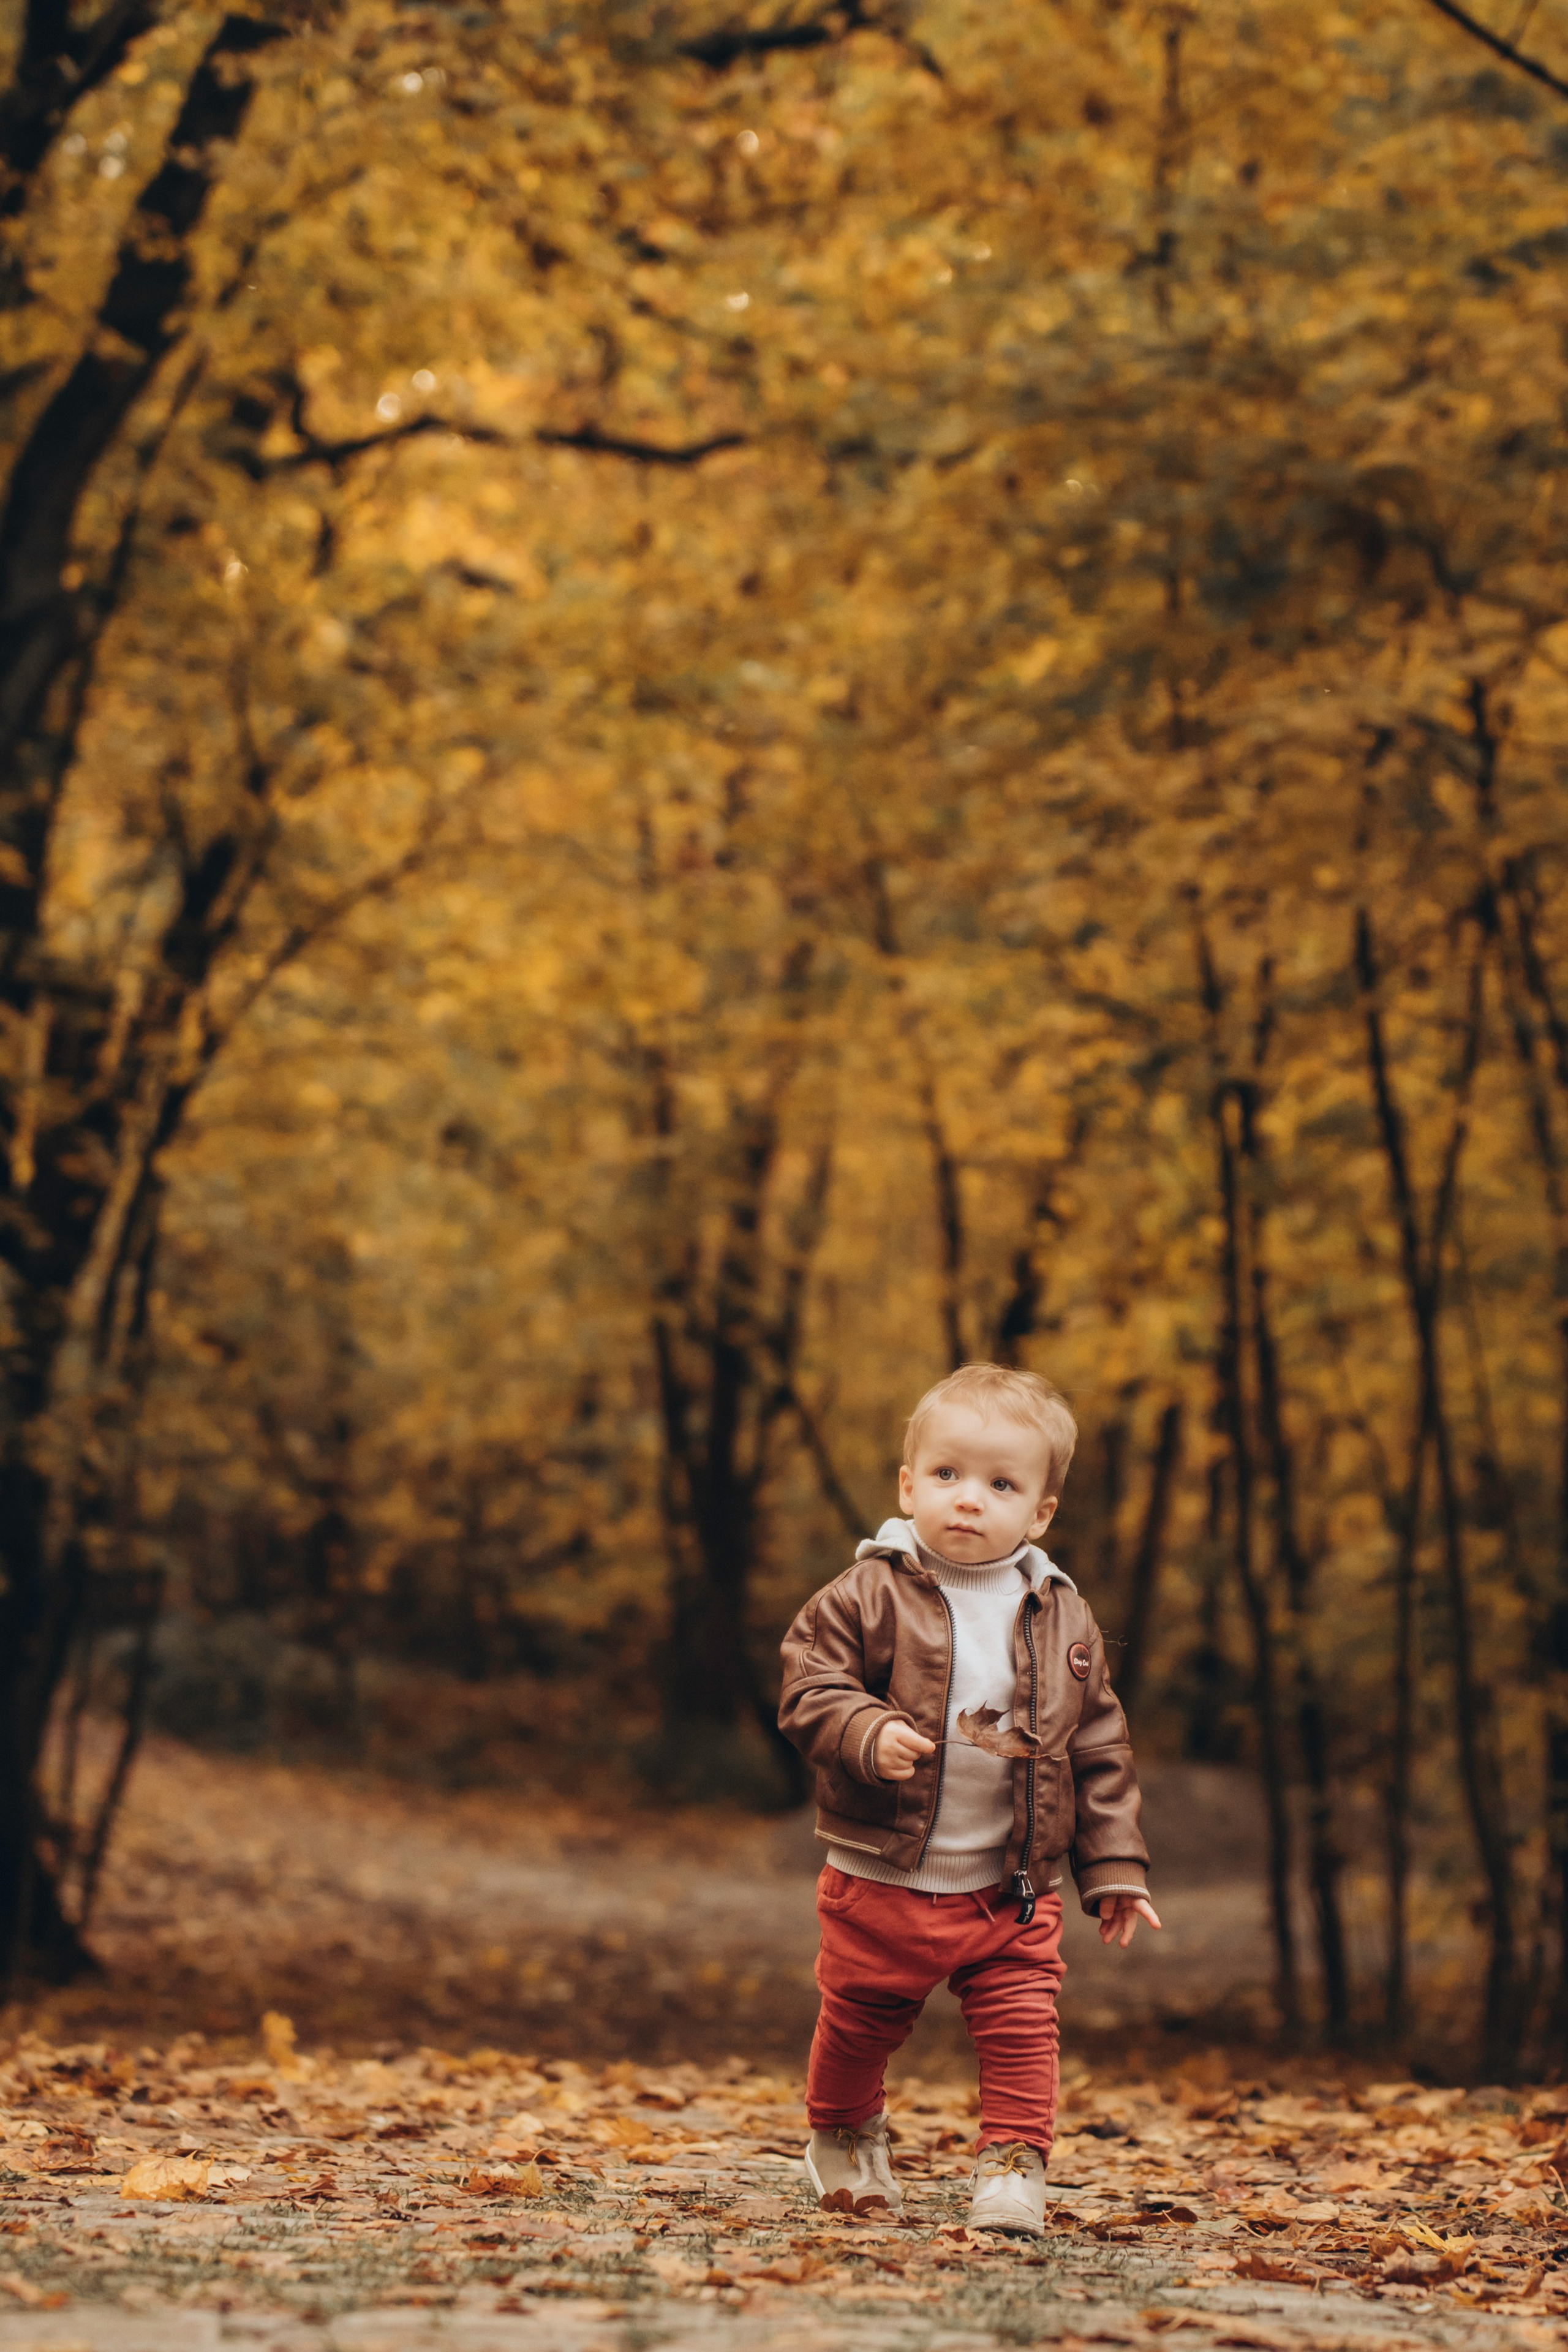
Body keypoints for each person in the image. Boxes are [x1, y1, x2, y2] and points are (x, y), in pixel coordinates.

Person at [778, 1361, 1159, 2236]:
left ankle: (1014, 2163)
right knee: (862, 2019)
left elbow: (1098, 1746)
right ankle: (841, 2136)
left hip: (1010, 1881)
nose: (969, 1499)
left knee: (1024, 2018)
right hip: (883, 1873)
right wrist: (866, 1732)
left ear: (1041, 1512)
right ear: (909, 1484)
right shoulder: (867, 1592)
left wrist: (1115, 1868)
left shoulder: (1063, 1615)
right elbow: (809, 1685)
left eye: (1000, 1484)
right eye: (947, 1475)